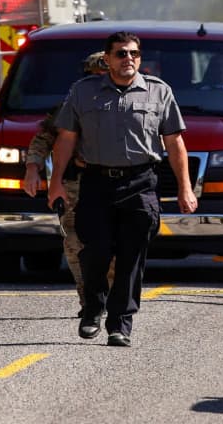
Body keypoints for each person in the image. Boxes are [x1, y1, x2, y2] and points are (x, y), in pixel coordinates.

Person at [47, 32, 197, 348]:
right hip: (96, 182)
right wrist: (55, 181)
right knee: (96, 250)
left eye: (134, 53)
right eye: (120, 53)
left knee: (131, 257)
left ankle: (120, 324)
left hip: (140, 183)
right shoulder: (84, 91)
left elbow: (174, 143)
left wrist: (185, 188)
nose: (128, 59)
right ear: (107, 59)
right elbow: (66, 139)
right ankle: (93, 309)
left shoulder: (159, 91)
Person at [23, 51, 111, 300]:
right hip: (77, 184)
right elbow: (43, 139)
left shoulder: (130, 105)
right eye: (93, 77)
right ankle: (88, 299)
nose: (99, 83)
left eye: (105, 76)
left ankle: (112, 298)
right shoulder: (70, 107)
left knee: (114, 245)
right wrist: (33, 168)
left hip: (115, 184)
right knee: (74, 242)